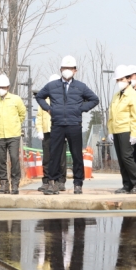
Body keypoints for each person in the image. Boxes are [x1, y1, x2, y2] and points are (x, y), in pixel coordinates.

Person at [36, 55, 99, 195]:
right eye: (65, 68)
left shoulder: (80, 87)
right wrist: (48, 108)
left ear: (75, 70)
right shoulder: (52, 86)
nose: (67, 70)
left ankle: (78, 184)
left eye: (70, 68)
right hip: (57, 124)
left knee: (77, 155)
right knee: (54, 155)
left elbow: (95, 99)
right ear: (60, 69)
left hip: (74, 124)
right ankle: (52, 183)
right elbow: (39, 96)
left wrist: (80, 109)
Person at [0, 74, 27, 195]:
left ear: (8, 87)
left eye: (3, 87)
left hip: (14, 133)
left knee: (14, 158)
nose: (1, 89)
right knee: (0, 160)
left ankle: (15, 183)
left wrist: (15, 124)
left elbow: (22, 114)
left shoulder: (16, 99)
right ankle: (3, 183)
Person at [108, 65, 136, 193]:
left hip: (126, 129)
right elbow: (111, 115)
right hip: (117, 130)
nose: (119, 82)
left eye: (122, 79)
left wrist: (134, 133)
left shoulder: (133, 95)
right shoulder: (116, 96)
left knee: (127, 157)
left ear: (129, 79)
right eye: (118, 80)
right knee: (121, 159)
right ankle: (127, 184)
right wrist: (110, 131)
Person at [36, 74, 67, 193]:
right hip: (47, 132)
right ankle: (47, 181)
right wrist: (39, 130)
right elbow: (39, 117)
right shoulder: (44, 100)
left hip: (60, 131)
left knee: (61, 159)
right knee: (47, 158)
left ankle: (60, 181)